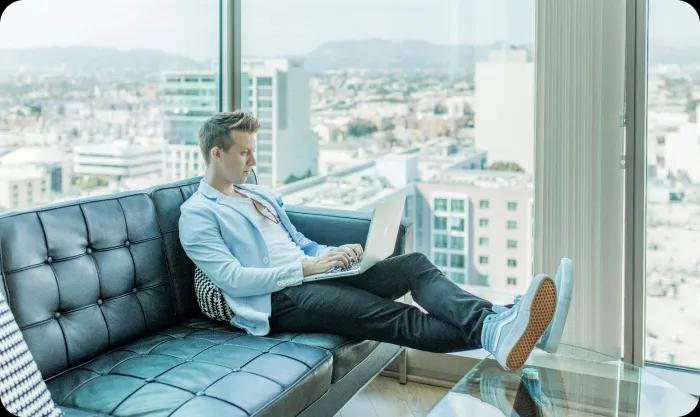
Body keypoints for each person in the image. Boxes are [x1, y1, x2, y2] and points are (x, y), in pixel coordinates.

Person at [178, 111, 573, 371]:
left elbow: (296, 239)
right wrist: (305, 268)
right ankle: (511, 326)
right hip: (279, 299)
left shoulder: (257, 194)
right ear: (216, 153)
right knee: (394, 317)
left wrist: (330, 255)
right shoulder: (198, 214)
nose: (252, 161)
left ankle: (504, 325)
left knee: (414, 265)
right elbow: (232, 279)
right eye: (244, 153)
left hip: (314, 275)